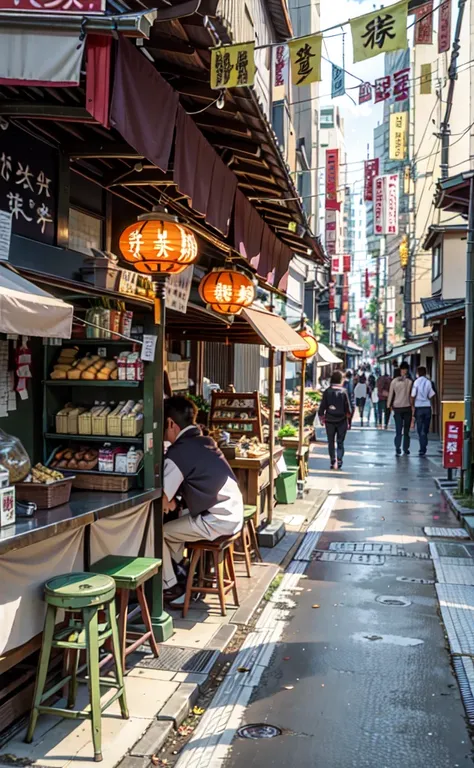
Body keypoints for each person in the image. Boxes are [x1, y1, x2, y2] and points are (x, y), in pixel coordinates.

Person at [161, 396, 244, 606]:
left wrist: (171, 499)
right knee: (175, 527)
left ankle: (172, 586)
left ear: (171, 423)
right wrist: (175, 499)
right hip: (232, 512)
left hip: (217, 518)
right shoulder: (206, 441)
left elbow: (163, 500)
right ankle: (184, 572)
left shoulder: (178, 452)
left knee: (160, 533)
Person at [318, 370, 352, 470]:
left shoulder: (327, 392)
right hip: (342, 421)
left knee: (331, 442)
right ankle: (340, 459)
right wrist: (349, 421)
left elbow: (322, 408)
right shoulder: (344, 392)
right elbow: (349, 409)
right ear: (341, 380)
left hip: (329, 421)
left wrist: (322, 417)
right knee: (340, 442)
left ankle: (333, 460)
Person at [387, 362, 413, 456]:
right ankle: (406, 448)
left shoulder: (394, 381)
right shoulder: (410, 382)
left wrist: (388, 406)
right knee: (406, 430)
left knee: (398, 429)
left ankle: (397, 447)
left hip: (397, 407)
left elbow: (390, 395)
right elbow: (412, 395)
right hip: (407, 407)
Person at [411, 366, 436, 456]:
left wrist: (412, 406)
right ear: (425, 372)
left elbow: (413, 395)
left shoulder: (416, 382)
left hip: (419, 408)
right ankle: (424, 445)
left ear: (418, 373)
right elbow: (431, 395)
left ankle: (422, 447)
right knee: (425, 429)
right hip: (427, 407)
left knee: (420, 428)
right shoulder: (428, 382)